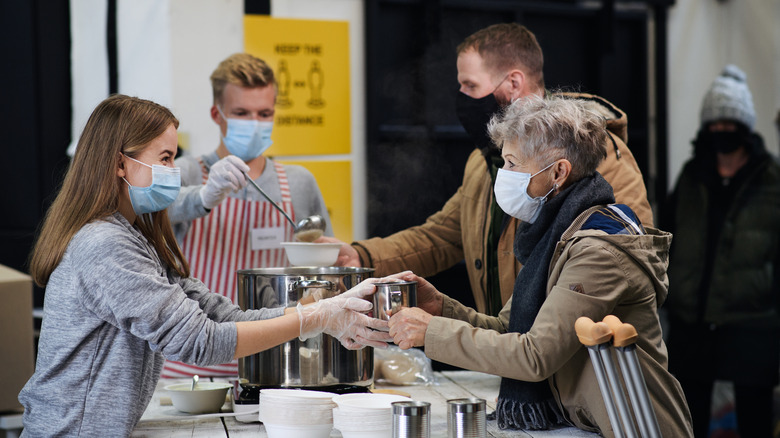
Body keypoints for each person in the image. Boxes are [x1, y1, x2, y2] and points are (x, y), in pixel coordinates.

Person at [18, 95, 391, 437]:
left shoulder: (135, 238)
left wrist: (321, 311)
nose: (172, 170)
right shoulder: (105, 244)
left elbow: (224, 316)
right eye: (164, 158)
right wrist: (314, 318)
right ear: (119, 163)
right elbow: (199, 340)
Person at [386, 95, 692, 437]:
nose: (504, 175)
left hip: (636, 426)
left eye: (513, 163)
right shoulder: (557, 233)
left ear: (559, 172)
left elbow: (534, 356)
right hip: (591, 424)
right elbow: (510, 331)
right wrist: (441, 309)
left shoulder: (598, 250)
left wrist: (431, 332)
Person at [322, 23, 652, 316]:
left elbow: (630, 263)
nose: (462, 97)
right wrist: (360, 256)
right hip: (506, 357)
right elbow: (443, 236)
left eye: (470, 85)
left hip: (565, 365)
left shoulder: (596, 155)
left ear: (513, 83)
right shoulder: (485, 161)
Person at [164, 53, 333, 377]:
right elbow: (141, 218)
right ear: (217, 114)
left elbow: (322, 269)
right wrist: (203, 196)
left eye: (264, 113)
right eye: (241, 113)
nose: (254, 124)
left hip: (275, 363)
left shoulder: (298, 183)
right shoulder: (185, 173)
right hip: (191, 366)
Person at [663, 64, 780, 438]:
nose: (721, 132)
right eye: (714, 124)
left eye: (730, 124)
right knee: (686, 418)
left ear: (746, 127)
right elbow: (667, 235)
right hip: (691, 321)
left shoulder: (772, 180)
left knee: (755, 418)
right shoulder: (692, 175)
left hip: (752, 322)